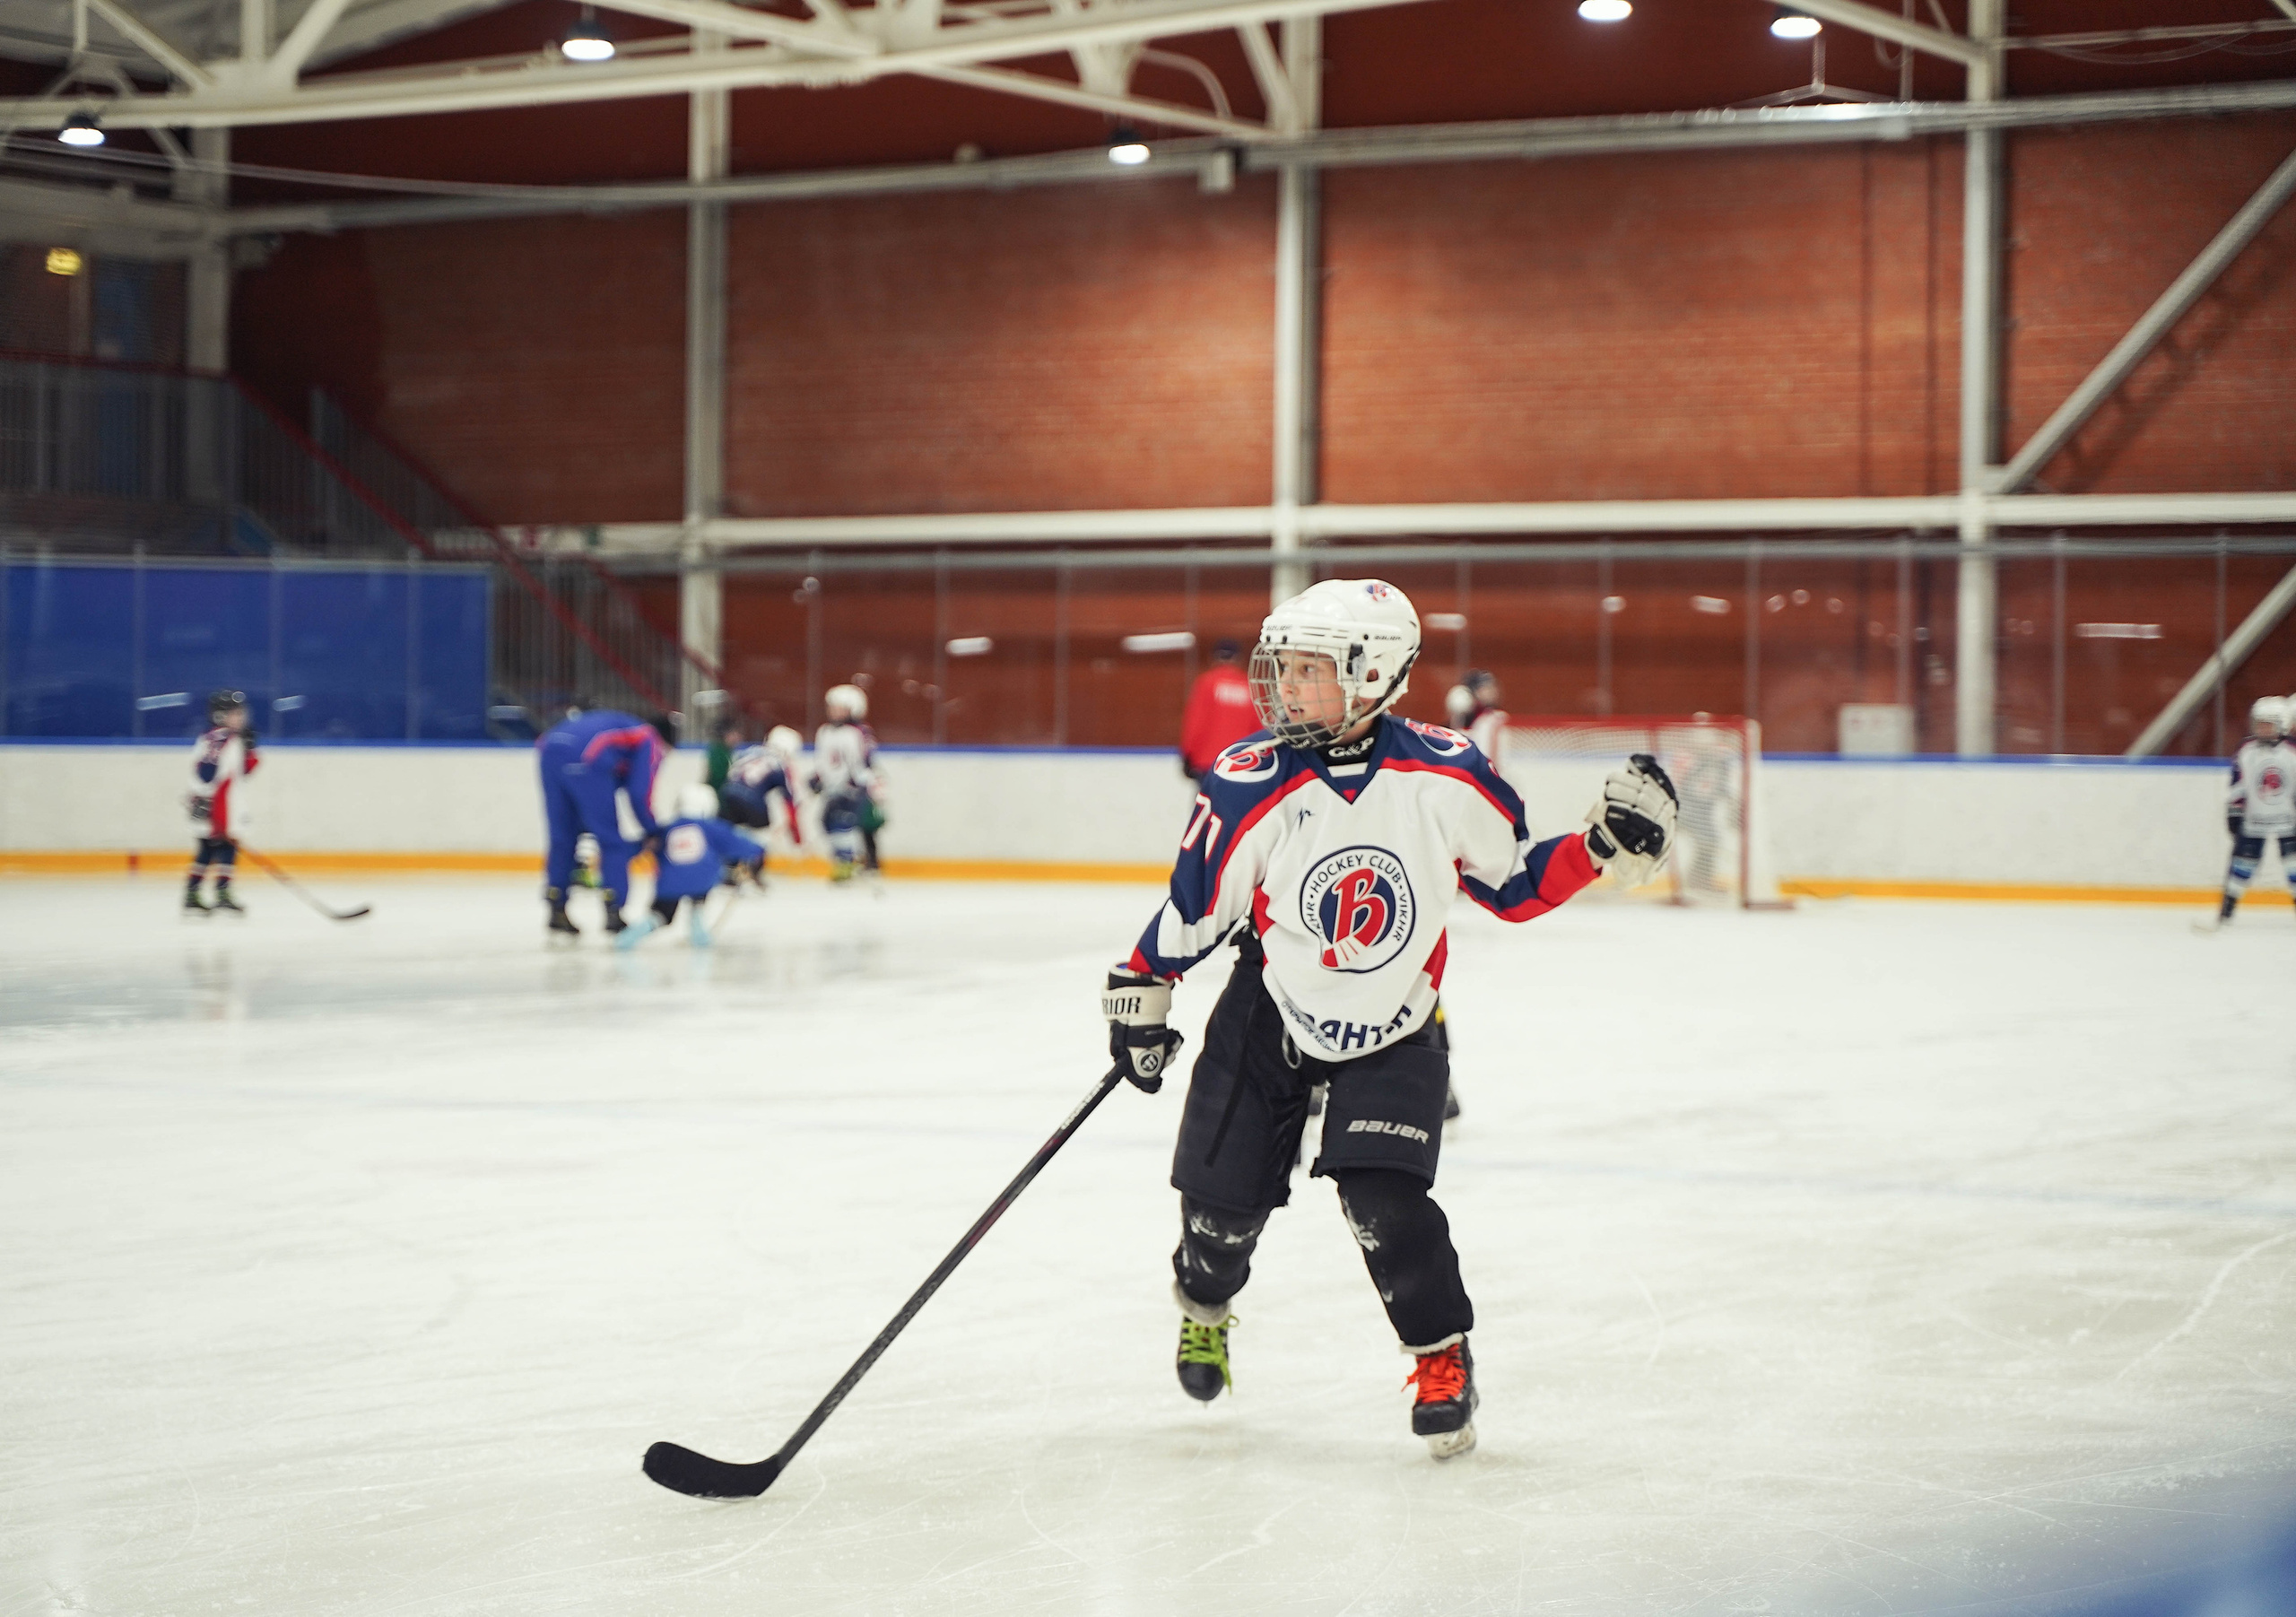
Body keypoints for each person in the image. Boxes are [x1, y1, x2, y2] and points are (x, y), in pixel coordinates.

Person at [1099, 578, 1678, 1460]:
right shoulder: (1247, 779)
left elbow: (1513, 883)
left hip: (1398, 1014)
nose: (1285, 688)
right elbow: (1199, 907)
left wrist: (1595, 852)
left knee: (1385, 1202)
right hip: (1272, 1008)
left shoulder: (1445, 776)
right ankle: (1205, 1309)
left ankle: (1441, 1358)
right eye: (1281, 668)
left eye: (1308, 670)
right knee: (1216, 1214)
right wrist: (1142, 987)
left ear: (1371, 676)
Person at [538, 707, 677, 936]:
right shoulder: (648, 738)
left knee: (562, 836)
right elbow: (639, 794)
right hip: (586, 756)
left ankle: (556, 906)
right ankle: (614, 910)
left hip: (549, 749)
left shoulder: (623, 727)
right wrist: (653, 830)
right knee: (611, 840)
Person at [617, 785, 764, 950]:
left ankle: (627, 939)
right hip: (702, 879)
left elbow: (642, 847)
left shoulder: (668, 828)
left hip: (669, 883)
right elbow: (750, 848)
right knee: (699, 898)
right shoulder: (712, 827)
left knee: (661, 915)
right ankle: (699, 936)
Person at [2213, 695, 2296, 928]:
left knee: (2294, 867)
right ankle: (2227, 911)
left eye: (2267, 724)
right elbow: (2238, 784)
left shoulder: (2292, 751)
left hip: (2289, 820)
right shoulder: (2246, 750)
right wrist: (2234, 811)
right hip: (2254, 819)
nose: (2262, 728)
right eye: (2259, 723)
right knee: (2242, 864)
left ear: (2282, 724)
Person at [185, 689, 259, 917]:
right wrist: (218, 818)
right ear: (220, 715)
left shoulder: (219, 738)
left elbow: (240, 771)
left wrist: (249, 751)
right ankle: (219, 893)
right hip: (216, 807)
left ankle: (195, 894)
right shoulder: (224, 740)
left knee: (208, 849)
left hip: (213, 805)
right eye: (236, 713)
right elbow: (211, 776)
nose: (242, 717)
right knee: (221, 848)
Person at [815, 685, 882, 882]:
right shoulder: (825, 731)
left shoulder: (860, 732)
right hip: (832, 787)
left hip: (852, 788)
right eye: (832, 707)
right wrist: (817, 778)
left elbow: (864, 759)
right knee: (827, 823)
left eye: (839, 707)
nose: (833, 711)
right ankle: (844, 859)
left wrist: (856, 781)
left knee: (845, 824)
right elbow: (824, 761)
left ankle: (849, 862)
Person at [718, 725, 808, 866]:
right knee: (762, 835)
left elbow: (731, 776)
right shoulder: (781, 763)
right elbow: (791, 803)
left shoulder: (748, 752)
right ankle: (754, 870)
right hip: (752, 799)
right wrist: (798, 840)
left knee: (733, 832)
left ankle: (731, 868)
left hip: (728, 795)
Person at [1179, 639, 1260, 781]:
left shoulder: (1206, 683)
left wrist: (1188, 754)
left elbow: (1196, 721)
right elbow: (1258, 726)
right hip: (1241, 760)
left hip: (1208, 761)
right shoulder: (1249, 686)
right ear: (1238, 659)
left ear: (1215, 658)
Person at [705, 718, 746, 792]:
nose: (739, 738)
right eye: (735, 734)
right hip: (717, 793)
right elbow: (719, 778)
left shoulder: (727, 752)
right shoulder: (718, 752)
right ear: (726, 735)